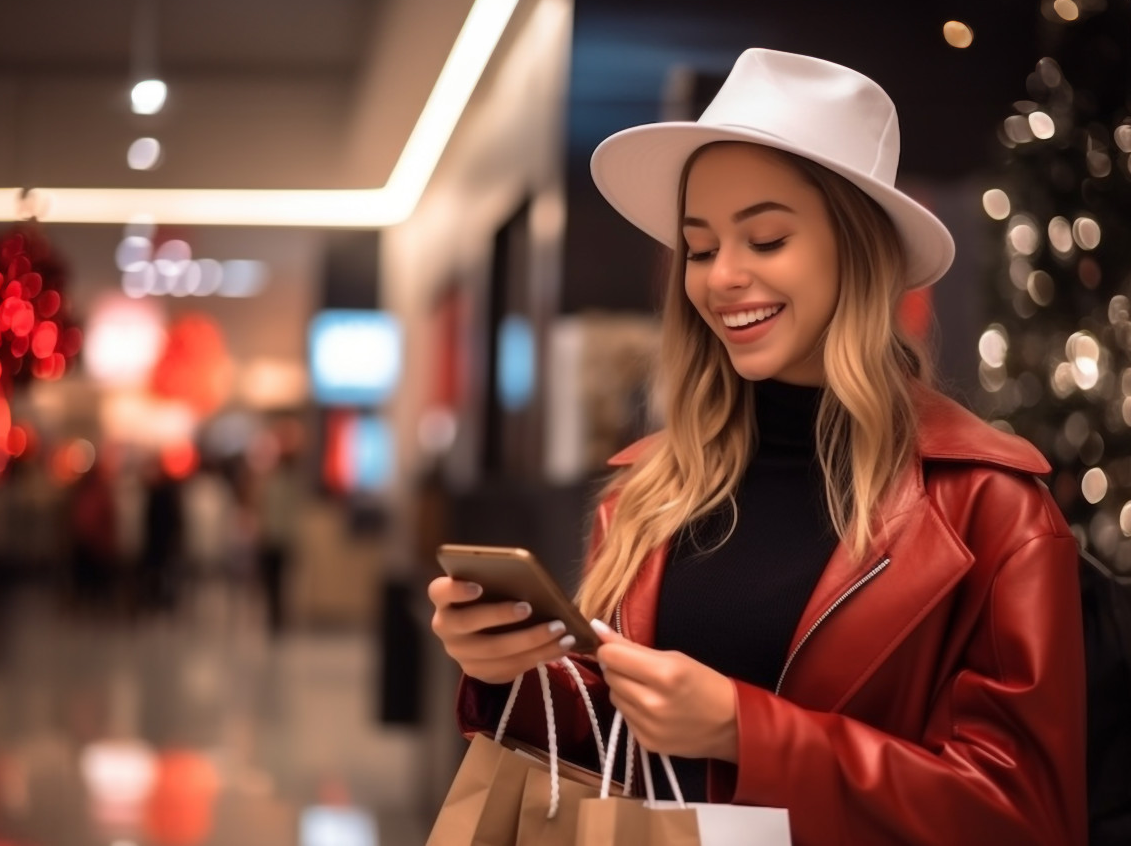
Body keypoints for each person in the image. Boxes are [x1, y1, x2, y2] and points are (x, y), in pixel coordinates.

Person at [427, 48, 1086, 844]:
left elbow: (1027, 817)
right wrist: (511, 673)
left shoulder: (989, 508)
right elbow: (621, 752)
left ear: (860, 249)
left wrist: (747, 729)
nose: (722, 276)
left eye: (766, 239)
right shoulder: (654, 491)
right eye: (700, 248)